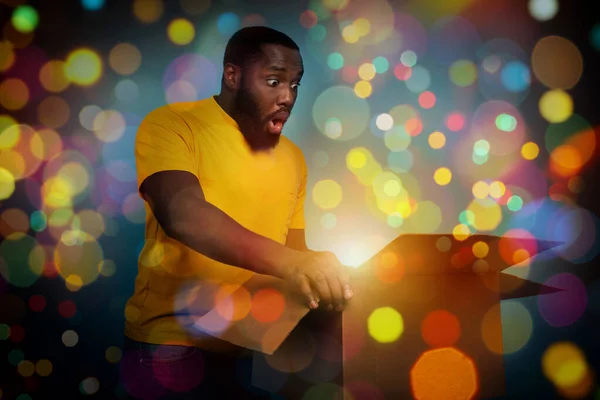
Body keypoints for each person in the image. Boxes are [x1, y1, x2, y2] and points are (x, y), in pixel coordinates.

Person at [119, 26, 353, 399]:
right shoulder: (172, 125)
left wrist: (326, 275)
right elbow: (183, 215)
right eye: (274, 81)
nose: (287, 97)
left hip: (252, 354)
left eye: (295, 85)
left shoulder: (293, 158)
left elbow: (294, 258)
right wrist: (294, 263)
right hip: (171, 351)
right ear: (233, 75)